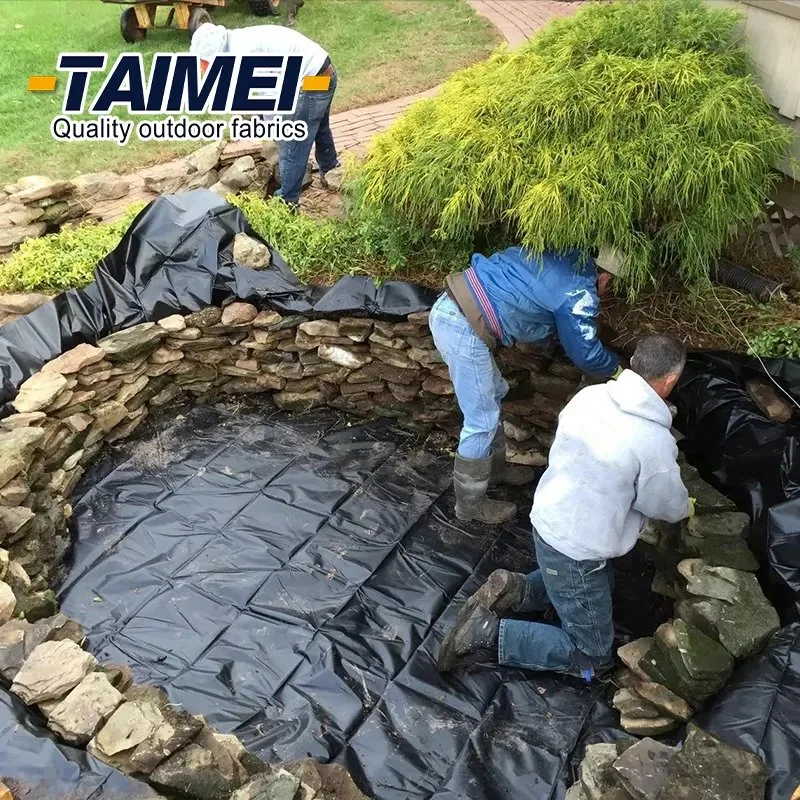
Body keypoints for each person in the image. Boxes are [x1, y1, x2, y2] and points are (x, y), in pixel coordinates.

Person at [436, 334, 694, 681]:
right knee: (592, 654)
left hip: (548, 518)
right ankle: (488, 633)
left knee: (589, 580)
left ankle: (515, 589)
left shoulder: (592, 397)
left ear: (634, 362)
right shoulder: (652, 442)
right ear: (671, 381)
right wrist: (686, 507)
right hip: (577, 547)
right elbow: (666, 504)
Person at [429, 246, 623, 526]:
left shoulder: (560, 254)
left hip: (453, 310)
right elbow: (585, 352)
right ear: (605, 278)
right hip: (462, 327)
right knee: (480, 421)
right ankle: (470, 506)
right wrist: (616, 370)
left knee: (494, 393)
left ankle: (494, 469)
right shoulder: (578, 289)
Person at [190, 21, 340, 207]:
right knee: (317, 124)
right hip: (324, 75)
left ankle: (286, 204)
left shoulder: (244, 54)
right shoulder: (234, 40)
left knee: (292, 142)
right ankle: (331, 170)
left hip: (313, 81)